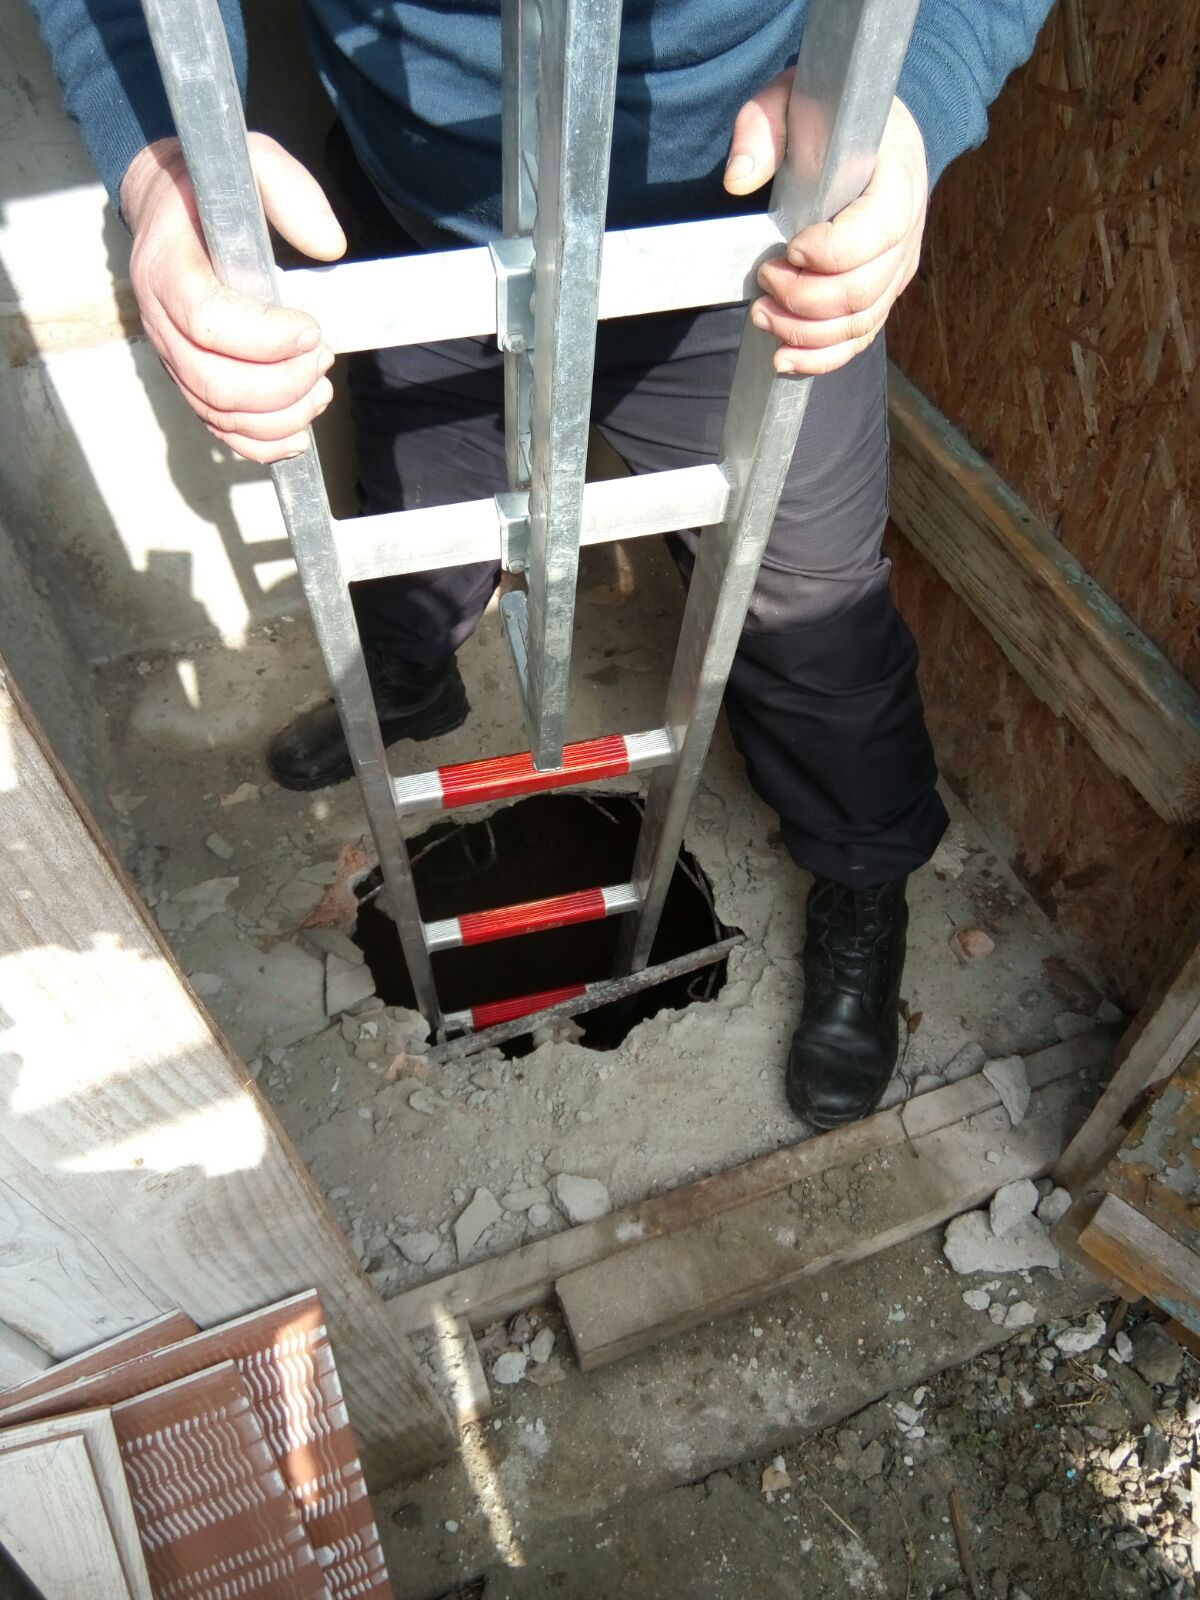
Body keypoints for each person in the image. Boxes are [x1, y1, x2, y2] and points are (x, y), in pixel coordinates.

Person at [31, 0, 1052, 1127]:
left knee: (811, 614)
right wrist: (162, 165)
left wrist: (911, 102)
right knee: (416, 526)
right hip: (419, 230)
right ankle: (412, 679)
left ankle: (862, 878)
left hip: (756, 245)